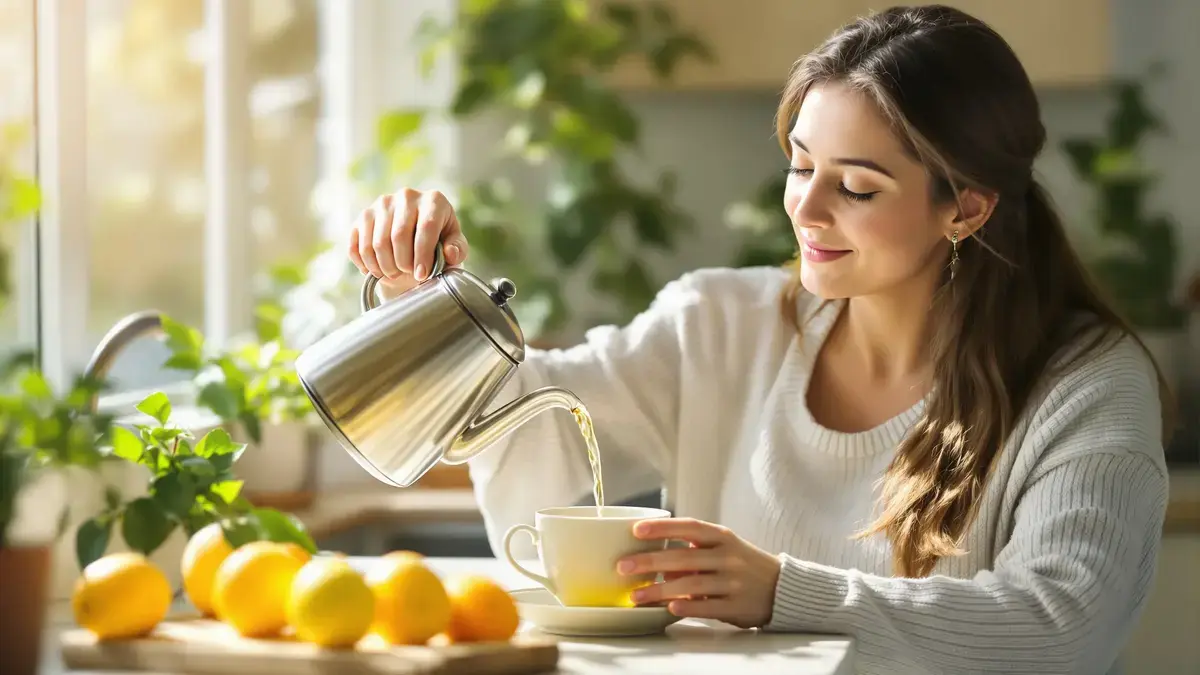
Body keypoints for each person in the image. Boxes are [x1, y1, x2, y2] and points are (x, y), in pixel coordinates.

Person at [346, 5, 1169, 673]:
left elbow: (1062, 624)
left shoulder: (1087, 383)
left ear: (967, 208)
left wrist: (782, 592)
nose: (807, 211)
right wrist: (423, 299)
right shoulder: (719, 325)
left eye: (855, 186)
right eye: (799, 165)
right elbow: (539, 419)